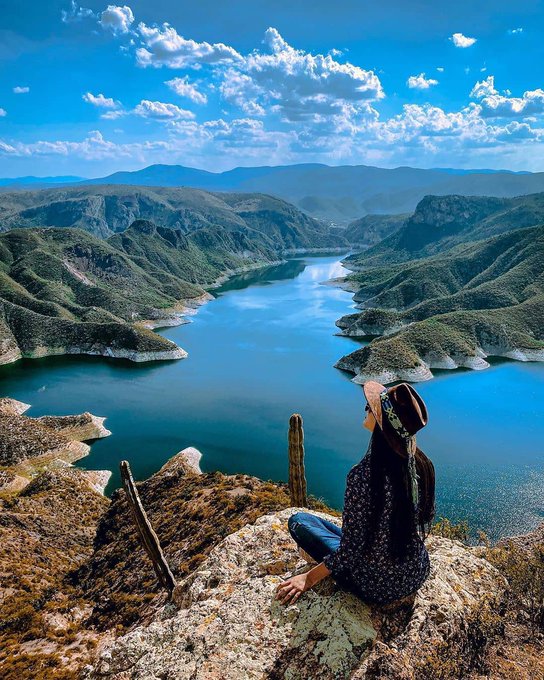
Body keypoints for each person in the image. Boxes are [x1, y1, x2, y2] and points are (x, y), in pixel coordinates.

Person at [275, 380, 436, 606]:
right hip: (414, 574)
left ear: (381, 424)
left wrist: (307, 579)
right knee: (344, 533)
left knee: (299, 521)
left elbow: (350, 552)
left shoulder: (365, 477)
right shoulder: (421, 466)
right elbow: (422, 516)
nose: (366, 410)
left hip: (376, 587)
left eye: (371, 408)